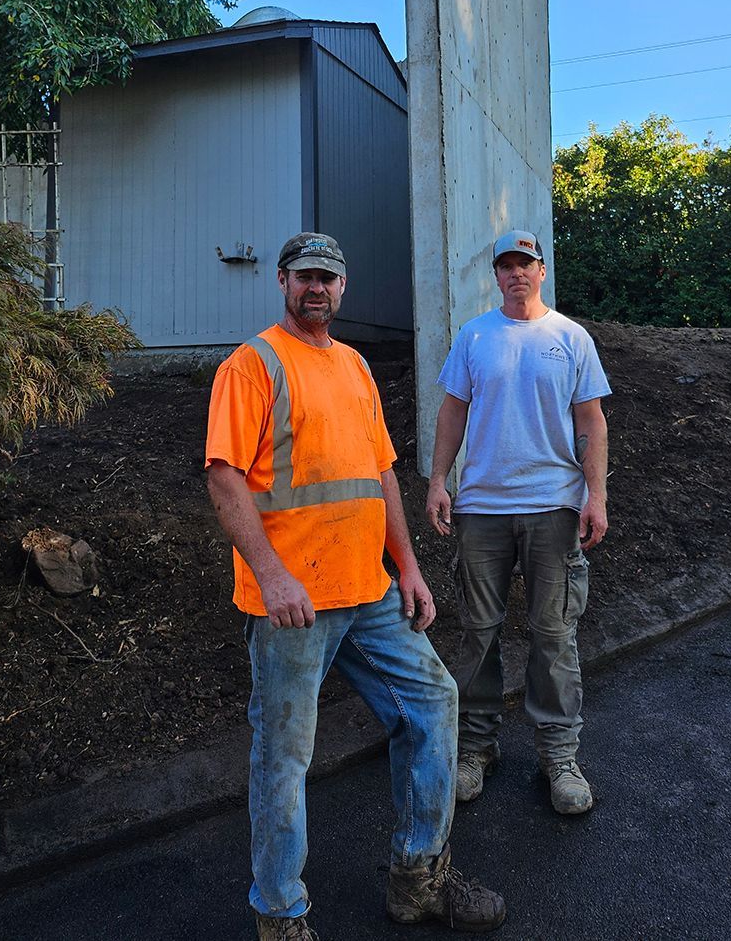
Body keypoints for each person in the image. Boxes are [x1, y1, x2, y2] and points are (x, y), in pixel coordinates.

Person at [206, 232, 506, 940]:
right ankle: (279, 913)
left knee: (433, 702)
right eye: (306, 275)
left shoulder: (355, 367)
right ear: (282, 280)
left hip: (366, 592)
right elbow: (224, 476)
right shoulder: (253, 366)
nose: (318, 288)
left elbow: (378, 476)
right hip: (292, 608)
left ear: (343, 289)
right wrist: (272, 576)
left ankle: (418, 877)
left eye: (330, 278)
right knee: (283, 756)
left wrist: (407, 565)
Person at [426, 230, 611, 815]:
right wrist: (437, 481)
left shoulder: (570, 338)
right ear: (497, 276)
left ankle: (558, 755)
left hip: (554, 506)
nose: (516, 275)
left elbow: (592, 422)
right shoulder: (475, 336)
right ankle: (476, 749)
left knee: (553, 634)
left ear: (542, 271)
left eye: (525, 265)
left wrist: (596, 494)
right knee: (479, 631)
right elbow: (453, 410)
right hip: (481, 507)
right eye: (505, 266)